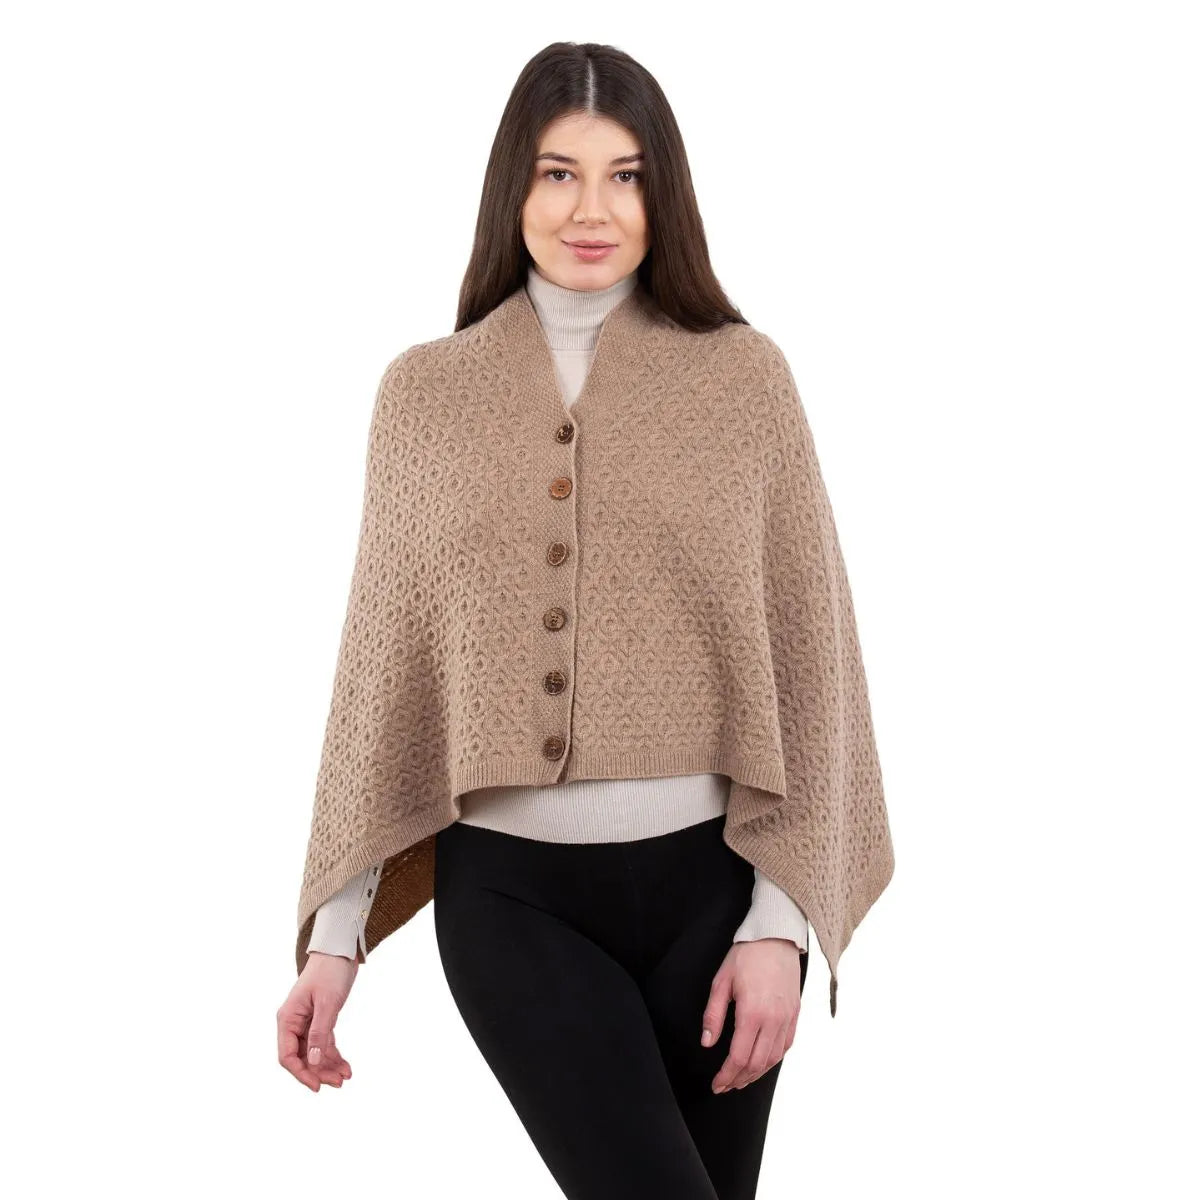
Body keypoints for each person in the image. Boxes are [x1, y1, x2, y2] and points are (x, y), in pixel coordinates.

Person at [277, 40, 894, 1200]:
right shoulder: (423, 395)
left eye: (626, 176)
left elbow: (813, 656)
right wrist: (333, 938)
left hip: (715, 900)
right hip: (514, 904)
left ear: (666, 194)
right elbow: (383, 668)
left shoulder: (744, 378)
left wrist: (782, 925)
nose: (591, 210)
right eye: (559, 173)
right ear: (513, 185)